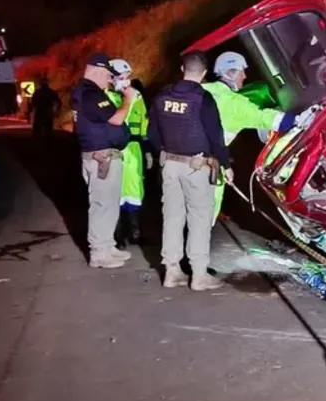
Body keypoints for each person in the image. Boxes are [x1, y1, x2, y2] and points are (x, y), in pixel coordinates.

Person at [148, 51, 232, 291]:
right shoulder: (203, 99)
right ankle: (198, 275)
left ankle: (172, 271)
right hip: (197, 168)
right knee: (199, 220)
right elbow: (216, 138)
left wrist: (162, 153)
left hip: (170, 165)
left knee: (172, 218)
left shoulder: (162, 95)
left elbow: (152, 133)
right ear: (204, 73)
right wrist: (225, 165)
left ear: (182, 69)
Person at [202, 51, 310, 224]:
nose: (244, 76)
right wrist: (301, 119)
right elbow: (267, 118)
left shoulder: (200, 91)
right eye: (241, 71)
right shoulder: (233, 103)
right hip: (207, 170)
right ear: (230, 73)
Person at [72, 52, 137, 268]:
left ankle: (107, 246)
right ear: (98, 70)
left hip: (104, 156)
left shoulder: (90, 93)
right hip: (101, 158)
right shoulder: (90, 94)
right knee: (102, 205)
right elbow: (116, 119)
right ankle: (99, 252)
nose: (110, 80)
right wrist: (128, 100)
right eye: (109, 76)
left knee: (109, 205)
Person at [102, 59, 150, 249]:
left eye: (127, 77)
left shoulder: (137, 96)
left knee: (135, 191)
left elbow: (144, 122)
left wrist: (147, 150)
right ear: (111, 78)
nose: (126, 81)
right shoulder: (104, 98)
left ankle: (135, 233)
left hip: (135, 151)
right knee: (116, 193)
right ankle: (117, 235)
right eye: (122, 77)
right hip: (115, 151)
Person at [30, 76, 61, 141]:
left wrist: (30, 111)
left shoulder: (37, 93)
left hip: (40, 112)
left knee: (37, 131)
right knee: (48, 130)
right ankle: (48, 145)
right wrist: (57, 111)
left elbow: (32, 103)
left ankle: (37, 144)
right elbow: (59, 102)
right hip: (48, 112)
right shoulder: (51, 92)